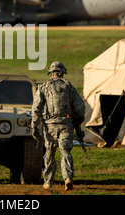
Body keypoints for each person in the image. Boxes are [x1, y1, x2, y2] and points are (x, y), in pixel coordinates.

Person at [31, 61, 85, 190]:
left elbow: (36, 108)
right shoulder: (69, 87)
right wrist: (79, 121)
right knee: (65, 152)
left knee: (49, 153)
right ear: (62, 72)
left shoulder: (43, 87)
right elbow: (80, 107)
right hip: (66, 125)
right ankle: (67, 179)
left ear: (50, 72)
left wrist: (34, 125)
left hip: (50, 126)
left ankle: (48, 182)